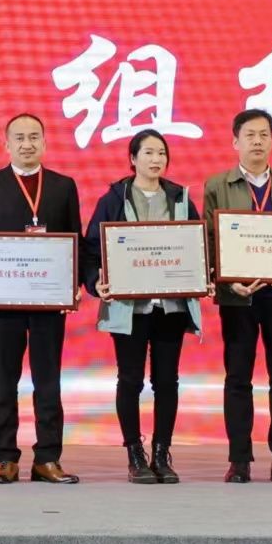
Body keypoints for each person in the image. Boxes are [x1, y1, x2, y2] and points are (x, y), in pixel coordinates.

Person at [82, 129, 201, 484]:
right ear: (133, 159)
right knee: (130, 379)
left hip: (170, 307)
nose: (156, 159)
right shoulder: (113, 199)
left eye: (161, 153)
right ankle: (135, 454)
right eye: (148, 152)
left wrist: (202, 275)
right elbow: (92, 249)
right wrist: (95, 282)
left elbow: (197, 245)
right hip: (128, 308)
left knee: (167, 381)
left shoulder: (180, 198)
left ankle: (162, 454)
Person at [0, 113, 83, 484]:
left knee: (48, 381)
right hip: (3, 302)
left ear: (45, 142)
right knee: (3, 380)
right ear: (6, 144)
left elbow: (75, 240)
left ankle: (47, 458)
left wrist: (75, 284)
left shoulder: (63, 186)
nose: (27, 144)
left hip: (49, 301)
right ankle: (5, 457)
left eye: (34, 136)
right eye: (19, 137)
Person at [204, 108, 272, 485]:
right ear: (236, 142)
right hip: (239, 296)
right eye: (250, 135)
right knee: (238, 378)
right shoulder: (217, 185)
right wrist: (226, 281)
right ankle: (239, 459)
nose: (258, 141)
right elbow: (208, 240)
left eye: (264, 134)